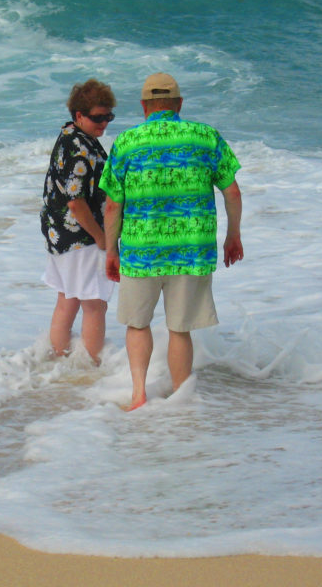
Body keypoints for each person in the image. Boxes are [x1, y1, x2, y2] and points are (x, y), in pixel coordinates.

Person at [99, 72, 243, 410]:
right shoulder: (206, 137)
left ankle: (138, 395)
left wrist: (111, 250)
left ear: (144, 107)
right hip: (192, 249)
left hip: (140, 249)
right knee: (180, 329)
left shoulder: (127, 142)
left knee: (138, 324)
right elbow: (232, 191)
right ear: (179, 104)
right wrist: (232, 235)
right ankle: (181, 397)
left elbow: (112, 205)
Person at [41, 79, 117, 362]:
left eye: (108, 116)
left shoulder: (70, 134)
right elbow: (76, 202)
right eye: (98, 118)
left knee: (68, 299)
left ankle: (60, 363)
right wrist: (101, 237)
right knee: (95, 305)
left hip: (59, 234)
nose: (104, 123)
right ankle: (92, 369)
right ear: (79, 115)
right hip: (80, 236)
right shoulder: (80, 150)